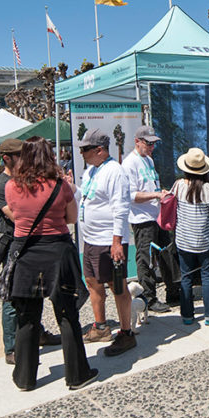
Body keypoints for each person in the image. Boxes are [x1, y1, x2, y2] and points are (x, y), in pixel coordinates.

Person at [5, 137, 96, 390]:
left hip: (26, 253)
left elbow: (16, 216)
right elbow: (71, 218)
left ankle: (24, 377)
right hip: (58, 251)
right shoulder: (60, 186)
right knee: (67, 315)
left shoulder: (12, 186)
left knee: (28, 317)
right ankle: (77, 374)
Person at [0, 138, 60, 365]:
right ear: (8, 158)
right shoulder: (2, 185)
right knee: (12, 296)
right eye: (21, 155)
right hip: (13, 245)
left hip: (30, 244)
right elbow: (19, 217)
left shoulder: (22, 181)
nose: (27, 159)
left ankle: (37, 333)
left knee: (34, 293)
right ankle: (11, 347)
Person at [77, 128, 136, 356]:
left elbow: (121, 208)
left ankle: (125, 332)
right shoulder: (92, 170)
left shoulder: (115, 171)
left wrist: (117, 242)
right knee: (92, 282)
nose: (81, 153)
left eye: (85, 149)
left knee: (117, 287)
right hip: (91, 240)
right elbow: (88, 197)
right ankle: (101, 326)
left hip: (107, 241)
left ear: (99, 150)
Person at [121, 125, 175, 313]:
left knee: (166, 254)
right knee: (146, 259)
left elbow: (151, 186)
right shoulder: (129, 164)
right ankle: (148, 299)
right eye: (148, 143)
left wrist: (161, 194)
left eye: (154, 144)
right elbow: (131, 195)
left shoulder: (149, 161)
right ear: (137, 142)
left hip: (156, 216)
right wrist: (155, 196)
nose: (152, 147)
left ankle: (173, 292)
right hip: (142, 219)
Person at [171, 148, 209, 326]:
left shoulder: (178, 185)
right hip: (205, 240)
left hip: (183, 239)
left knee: (186, 277)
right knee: (207, 276)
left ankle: (187, 316)